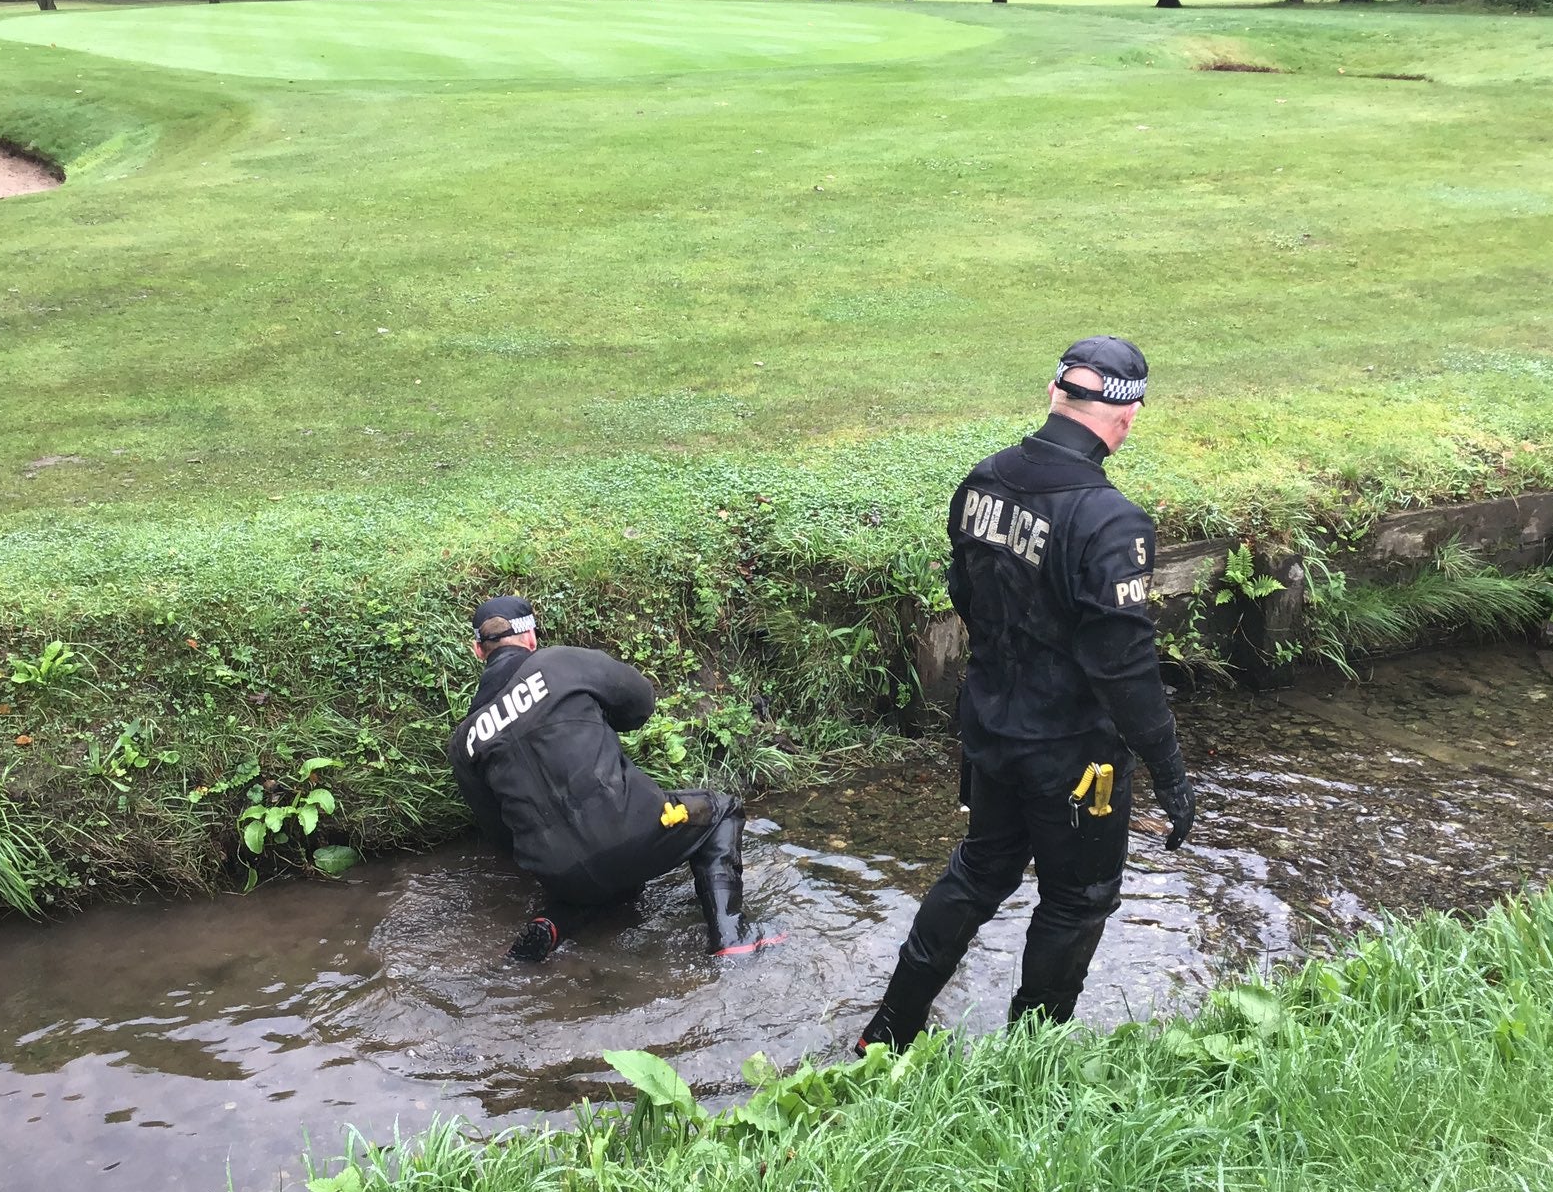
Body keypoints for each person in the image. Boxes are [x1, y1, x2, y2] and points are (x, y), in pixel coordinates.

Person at [857, 336, 1197, 1049]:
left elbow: (966, 594)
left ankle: (887, 1032)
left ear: (1054, 396)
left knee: (980, 870)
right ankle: (1029, 1060)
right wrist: (1169, 771)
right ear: (1128, 418)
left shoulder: (982, 482)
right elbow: (1124, 663)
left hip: (991, 728)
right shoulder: (1110, 521)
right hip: (1074, 755)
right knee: (1077, 899)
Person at [448, 594, 775, 961]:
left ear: (479, 650)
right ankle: (732, 936)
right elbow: (640, 702)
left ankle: (554, 921)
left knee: (605, 883)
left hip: (562, 874)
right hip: (634, 833)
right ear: (531, 639)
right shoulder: (561, 663)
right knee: (721, 811)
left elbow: (499, 833)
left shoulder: (463, 740)